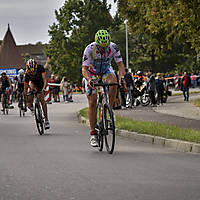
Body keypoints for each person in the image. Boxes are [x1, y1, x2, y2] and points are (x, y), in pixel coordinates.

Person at [82, 29, 125, 147]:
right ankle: (93, 134)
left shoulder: (113, 47)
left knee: (114, 81)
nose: (104, 49)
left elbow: (120, 64)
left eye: (106, 47)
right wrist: (89, 79)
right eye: (101, 47)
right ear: (97, 44)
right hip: (92, 73)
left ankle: (109, 110)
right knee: (92, 101)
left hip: (106, 70)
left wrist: (122, 77)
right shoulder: (89, 49)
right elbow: (84, 69)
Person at [24, 59, 50, 129]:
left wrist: (44, 88)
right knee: (30, 88)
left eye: (34, 71)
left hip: (41, 83)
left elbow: (45, 79)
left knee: (42, 100)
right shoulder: (27, 74)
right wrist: (26, 99)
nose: (33, 73)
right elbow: (25, 89)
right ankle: (32, 107)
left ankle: (46, 120)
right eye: (31, 72)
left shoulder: (40, 68)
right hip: (33, 83)